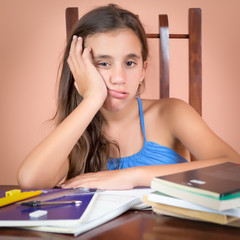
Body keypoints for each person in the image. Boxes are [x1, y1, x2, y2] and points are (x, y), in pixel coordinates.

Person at [17, 4, 240, 189]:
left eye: (130, 63)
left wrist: (133, 177)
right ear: (79, 69)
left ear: (143, 69)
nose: (119, 78)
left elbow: (234, 167)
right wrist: (92, 99)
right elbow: (31, 181)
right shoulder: (79, 128)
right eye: (103, 63)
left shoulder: (171, 113)